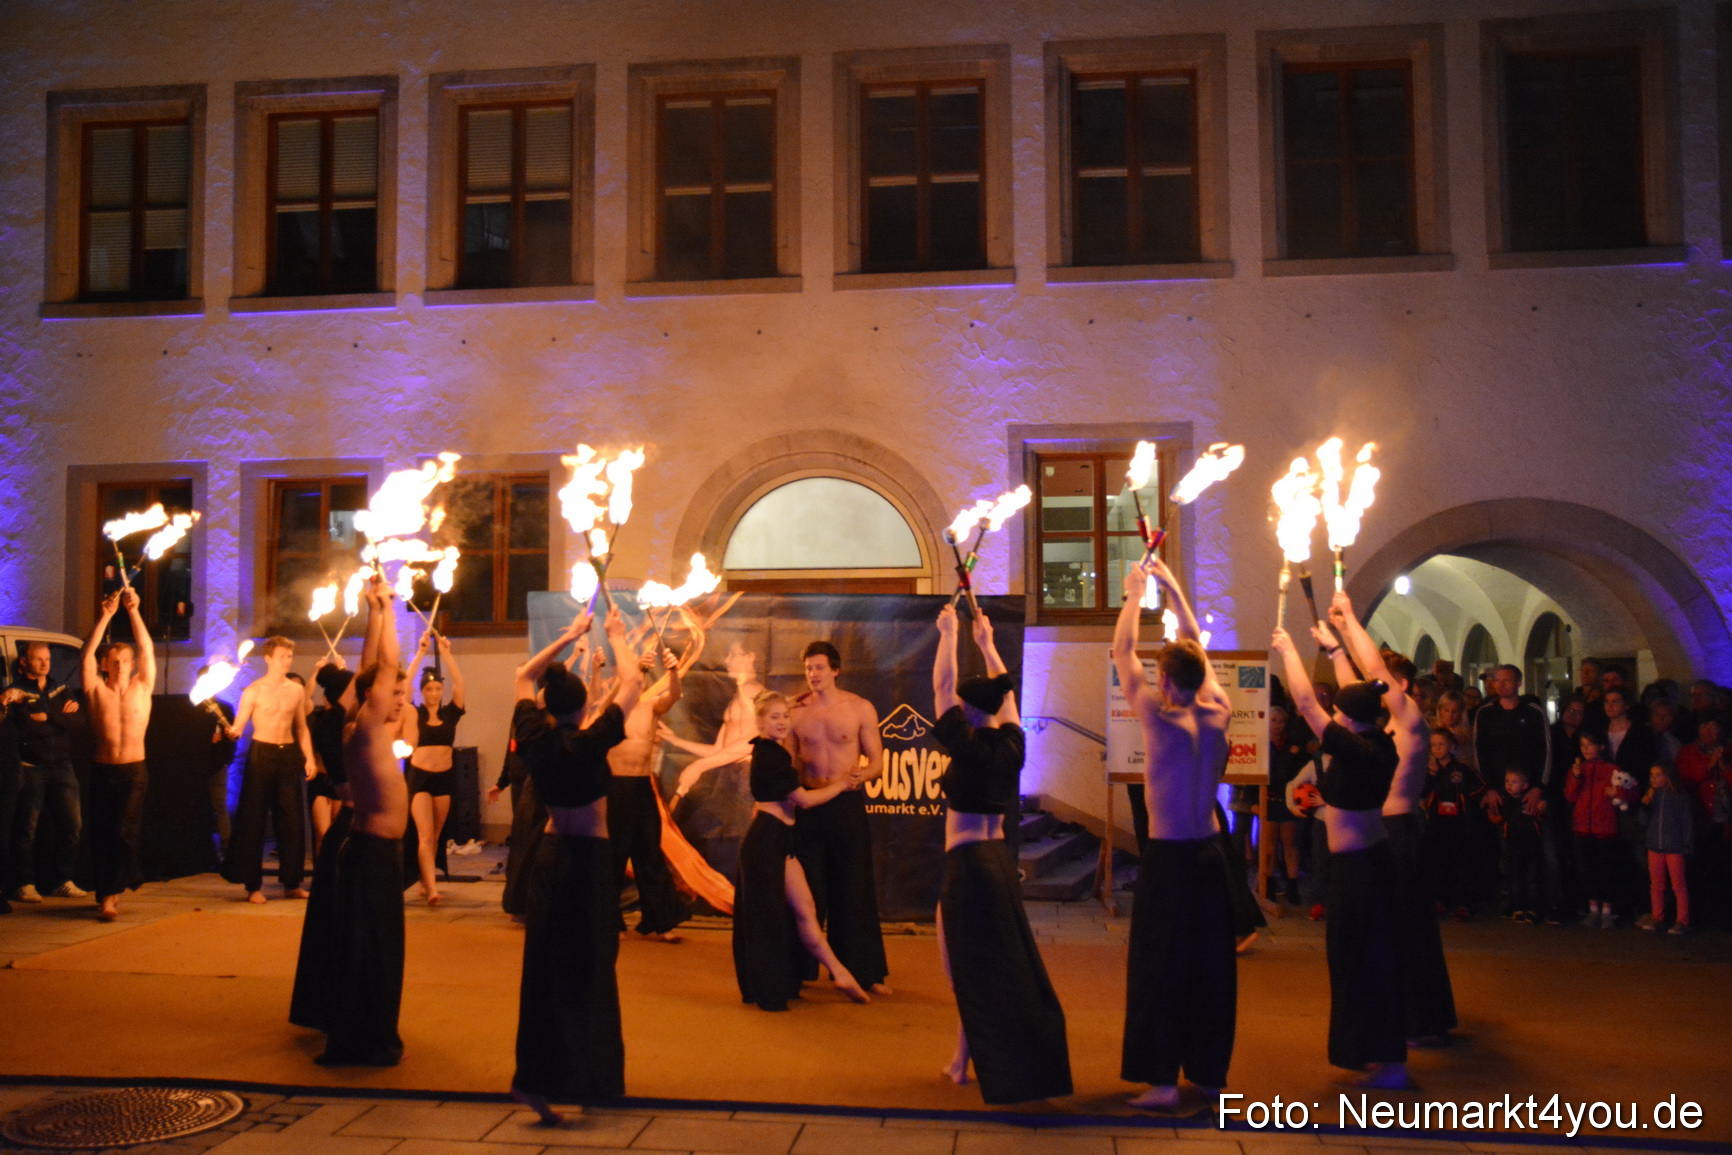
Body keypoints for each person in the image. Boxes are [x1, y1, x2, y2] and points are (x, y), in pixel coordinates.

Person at [507, 605, 642, 1125]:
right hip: (587, 866)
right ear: (584, 707)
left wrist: (568, 637)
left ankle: (536, 1080)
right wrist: (615, 633)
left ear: (545, 704)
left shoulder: (535, 736)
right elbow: (631, 679)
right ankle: (592, 1078)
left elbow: (523, 673)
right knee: (591, 968)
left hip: (548, 860)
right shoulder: (592, 741)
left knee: (543, 968)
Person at [932, 603, 1071, 1104]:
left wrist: (949, 635)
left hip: (968, 867)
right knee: (991, 965)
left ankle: (967, 1062)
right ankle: (961, 1059)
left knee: (963, 970)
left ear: (969, 709)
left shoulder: (966, 746)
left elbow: (940, 685)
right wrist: (987, 642)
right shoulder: (1013, 744)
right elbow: (1007, 697)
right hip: (995, 864)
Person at [1114, 557, 1235, 1111]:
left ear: (1165, 680)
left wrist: (1136, 594)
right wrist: (1175, 586)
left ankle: (1162, 1080)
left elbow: (1122, 654)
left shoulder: (1155, 719)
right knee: (1212, 964)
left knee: (1160, 965)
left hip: (1167, 858)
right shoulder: (1219, 714)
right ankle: (1208, 1076)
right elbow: (1193, 643)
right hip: (1210, 853)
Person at [1271, 617, 1411, 1090]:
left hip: (1359, 871)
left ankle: (1386, 1059)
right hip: (1366, 862)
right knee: (1361, 958)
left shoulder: (1357, 750)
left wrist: (1289, 650)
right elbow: (1359, 694)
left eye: (1342, 713)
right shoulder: (1376, 741)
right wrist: (1333, 650)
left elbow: (1307, 703)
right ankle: (1372, 1054)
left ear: (1347, 718)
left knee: (1362, 959)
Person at [318, 576, 410, 1067]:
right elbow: (384, 666)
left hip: (375, 853)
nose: (401, 698)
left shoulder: (359, 717)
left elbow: (369, 667)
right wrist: (390, 608)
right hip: (372, 854)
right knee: (373, 953)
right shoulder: (367, 725)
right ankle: (367, 1042)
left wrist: (375, 610)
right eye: (395, 693)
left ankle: (365, 1035)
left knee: (371, 951)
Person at [731, 691, 871, 1011]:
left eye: (784, 716)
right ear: (759, 722)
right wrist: (842, 785)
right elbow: (805, 801)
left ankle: (839, 972)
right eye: (773, 717)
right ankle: (768, 989)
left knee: (806, 908)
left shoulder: (776, 752)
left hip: (783, 839)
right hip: (765, 842)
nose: (781, 722)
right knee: (768, 919)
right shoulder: (769, 755)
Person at [790, 639, 890, 996]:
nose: (813, 674)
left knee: (853, 888)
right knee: (807, 892)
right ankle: (800, 971)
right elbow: (788, 764)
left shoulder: (860, 708)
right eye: (808, 668)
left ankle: (864, 972)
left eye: (819, 667)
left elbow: (877, 762)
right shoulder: (795, 713)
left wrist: (859, 778)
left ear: (835, 670)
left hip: (846, 805)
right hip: (809, 806)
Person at [289, 657, 358, 1033]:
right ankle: (332, 1006)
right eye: (352, 690)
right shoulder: (336, 727)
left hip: (350, 827)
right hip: (347, 829)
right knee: (336, 924)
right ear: (339, 696)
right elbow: (307, 702)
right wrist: (320, 675)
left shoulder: (341, 722)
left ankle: (330, 1004)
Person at [80, 589, 156, 921]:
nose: (122, 664)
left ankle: (113, 893)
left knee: (124, 829)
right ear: (105, 664)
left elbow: (148, 648)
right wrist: (107, 615)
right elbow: (86, 653)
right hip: (103, 769)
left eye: (126, 660)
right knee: (102, 831)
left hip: (134, 771)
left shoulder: (143, 687)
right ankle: (106, 893)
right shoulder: (95, 689)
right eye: (115, 660)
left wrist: (135, 611)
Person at [223, 637, 317, 904]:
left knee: (292, 820)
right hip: (261, 754)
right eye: (281, 657)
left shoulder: (296, 690)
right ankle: (253, 886)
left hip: (288, 755)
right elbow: (240, 724)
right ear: (268, 658)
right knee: (253, 820)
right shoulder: (253, 690)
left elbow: (301, 727)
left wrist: (308, 757)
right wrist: (234, 731)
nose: (286, 661)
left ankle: (292, 882)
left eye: (289, 657)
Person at [606, 647, 687, 942]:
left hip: (642, 787)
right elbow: (606, 704)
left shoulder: (649, 706)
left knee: (650, 854)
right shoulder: (612, 707)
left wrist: (673, 671)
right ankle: (609, 922)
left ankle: (661, 921)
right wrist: (633, 672)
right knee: (613, 857)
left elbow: (674, 696)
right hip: (615, 788)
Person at [3, 641, 86, 903]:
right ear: (24, 662)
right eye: (38, 659)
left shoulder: (59, 688)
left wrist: (48, 717)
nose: (45, 664)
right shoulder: (15, 693)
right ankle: (23, 883)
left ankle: (61, 879)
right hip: (31, 768)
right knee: (26, 830)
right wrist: (57, 718)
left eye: (47, 659)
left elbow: (77, 720)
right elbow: (26, 729)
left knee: (72, 826)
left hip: (62, 766)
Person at [399, 631, 466, 905]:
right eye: (429, 689)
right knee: (424, 835)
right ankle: (433, 889)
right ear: (423, 692)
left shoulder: (451, 713)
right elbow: (403, 689)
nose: (434, 693)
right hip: (420, 779)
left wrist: (447, 653)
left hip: (444, 779)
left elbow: (460, 684)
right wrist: (421, 652)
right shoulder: (415, 713)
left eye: (438, 688)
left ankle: (426, 882)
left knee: (435, 836)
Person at [1565, 730, 1634, 930]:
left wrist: (1618, 791)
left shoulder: (1612, 769)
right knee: (1588, 871)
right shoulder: (1578, 769)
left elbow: (1628, 791)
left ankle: (1607, 911)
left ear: (1601, 747)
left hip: (1605, 827)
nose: (1585, 749)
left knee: (1607, 871)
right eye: (1583, 745)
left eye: (1590, 744)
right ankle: (1593, 910)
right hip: (1583, 827)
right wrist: (1576, 776)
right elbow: (1570, 796)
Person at [1423, 728, 1485, 919]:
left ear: (1450, 746)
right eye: (1433, 745)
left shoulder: (1461, 769)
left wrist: (1466, 802)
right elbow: (1421, 792)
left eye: (1441, 744)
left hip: (1458, 823)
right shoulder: (1429, 770)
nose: (1437, 748)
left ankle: (1463, 903)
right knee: (1439, 862)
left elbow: (1479, 787)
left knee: (1460, 862)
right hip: (1437, 823)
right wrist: (1430, 776)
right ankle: (1441, 901)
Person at [1263, 705, 1311, 905]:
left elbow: (1297, 772)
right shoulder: (1263, 745)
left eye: (1282, 721)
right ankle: (1269, 884)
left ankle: (1292, 886)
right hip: (1269, 797)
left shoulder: (1293, 744)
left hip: (1288, 798)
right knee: (1269, 846)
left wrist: (1293, 755)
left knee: (1290, 844)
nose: (1278, 725)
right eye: (1274, 721)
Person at [1640, 760, 1693, 934]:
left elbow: (1687, 822)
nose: (1654, 779)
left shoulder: (1679, 796)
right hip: (1655, 845)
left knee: (1678, 885)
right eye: (1651, 775)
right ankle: (1658, 917)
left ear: (1668, 776)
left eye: (1658, 775)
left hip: (1674, 847)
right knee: (1656, 885)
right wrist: (1646, 805)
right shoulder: (1652, 795)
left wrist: (1686, 845)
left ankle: (1682, 920)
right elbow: (1642, 821)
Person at [1490, 768, 1544, 922]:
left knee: (1532, 878)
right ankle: (1518, 907)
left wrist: (1542, 810)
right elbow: (1497, 819)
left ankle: (1533, 908)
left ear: (1525, 785)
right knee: (1515, 877)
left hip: (1531, 845)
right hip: (1513, 845)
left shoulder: (1529, 800)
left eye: (1514, 782)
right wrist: (1493, 814)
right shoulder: (1504, 800)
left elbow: (1542, 817)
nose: (1509, 785)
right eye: (1507, 781)